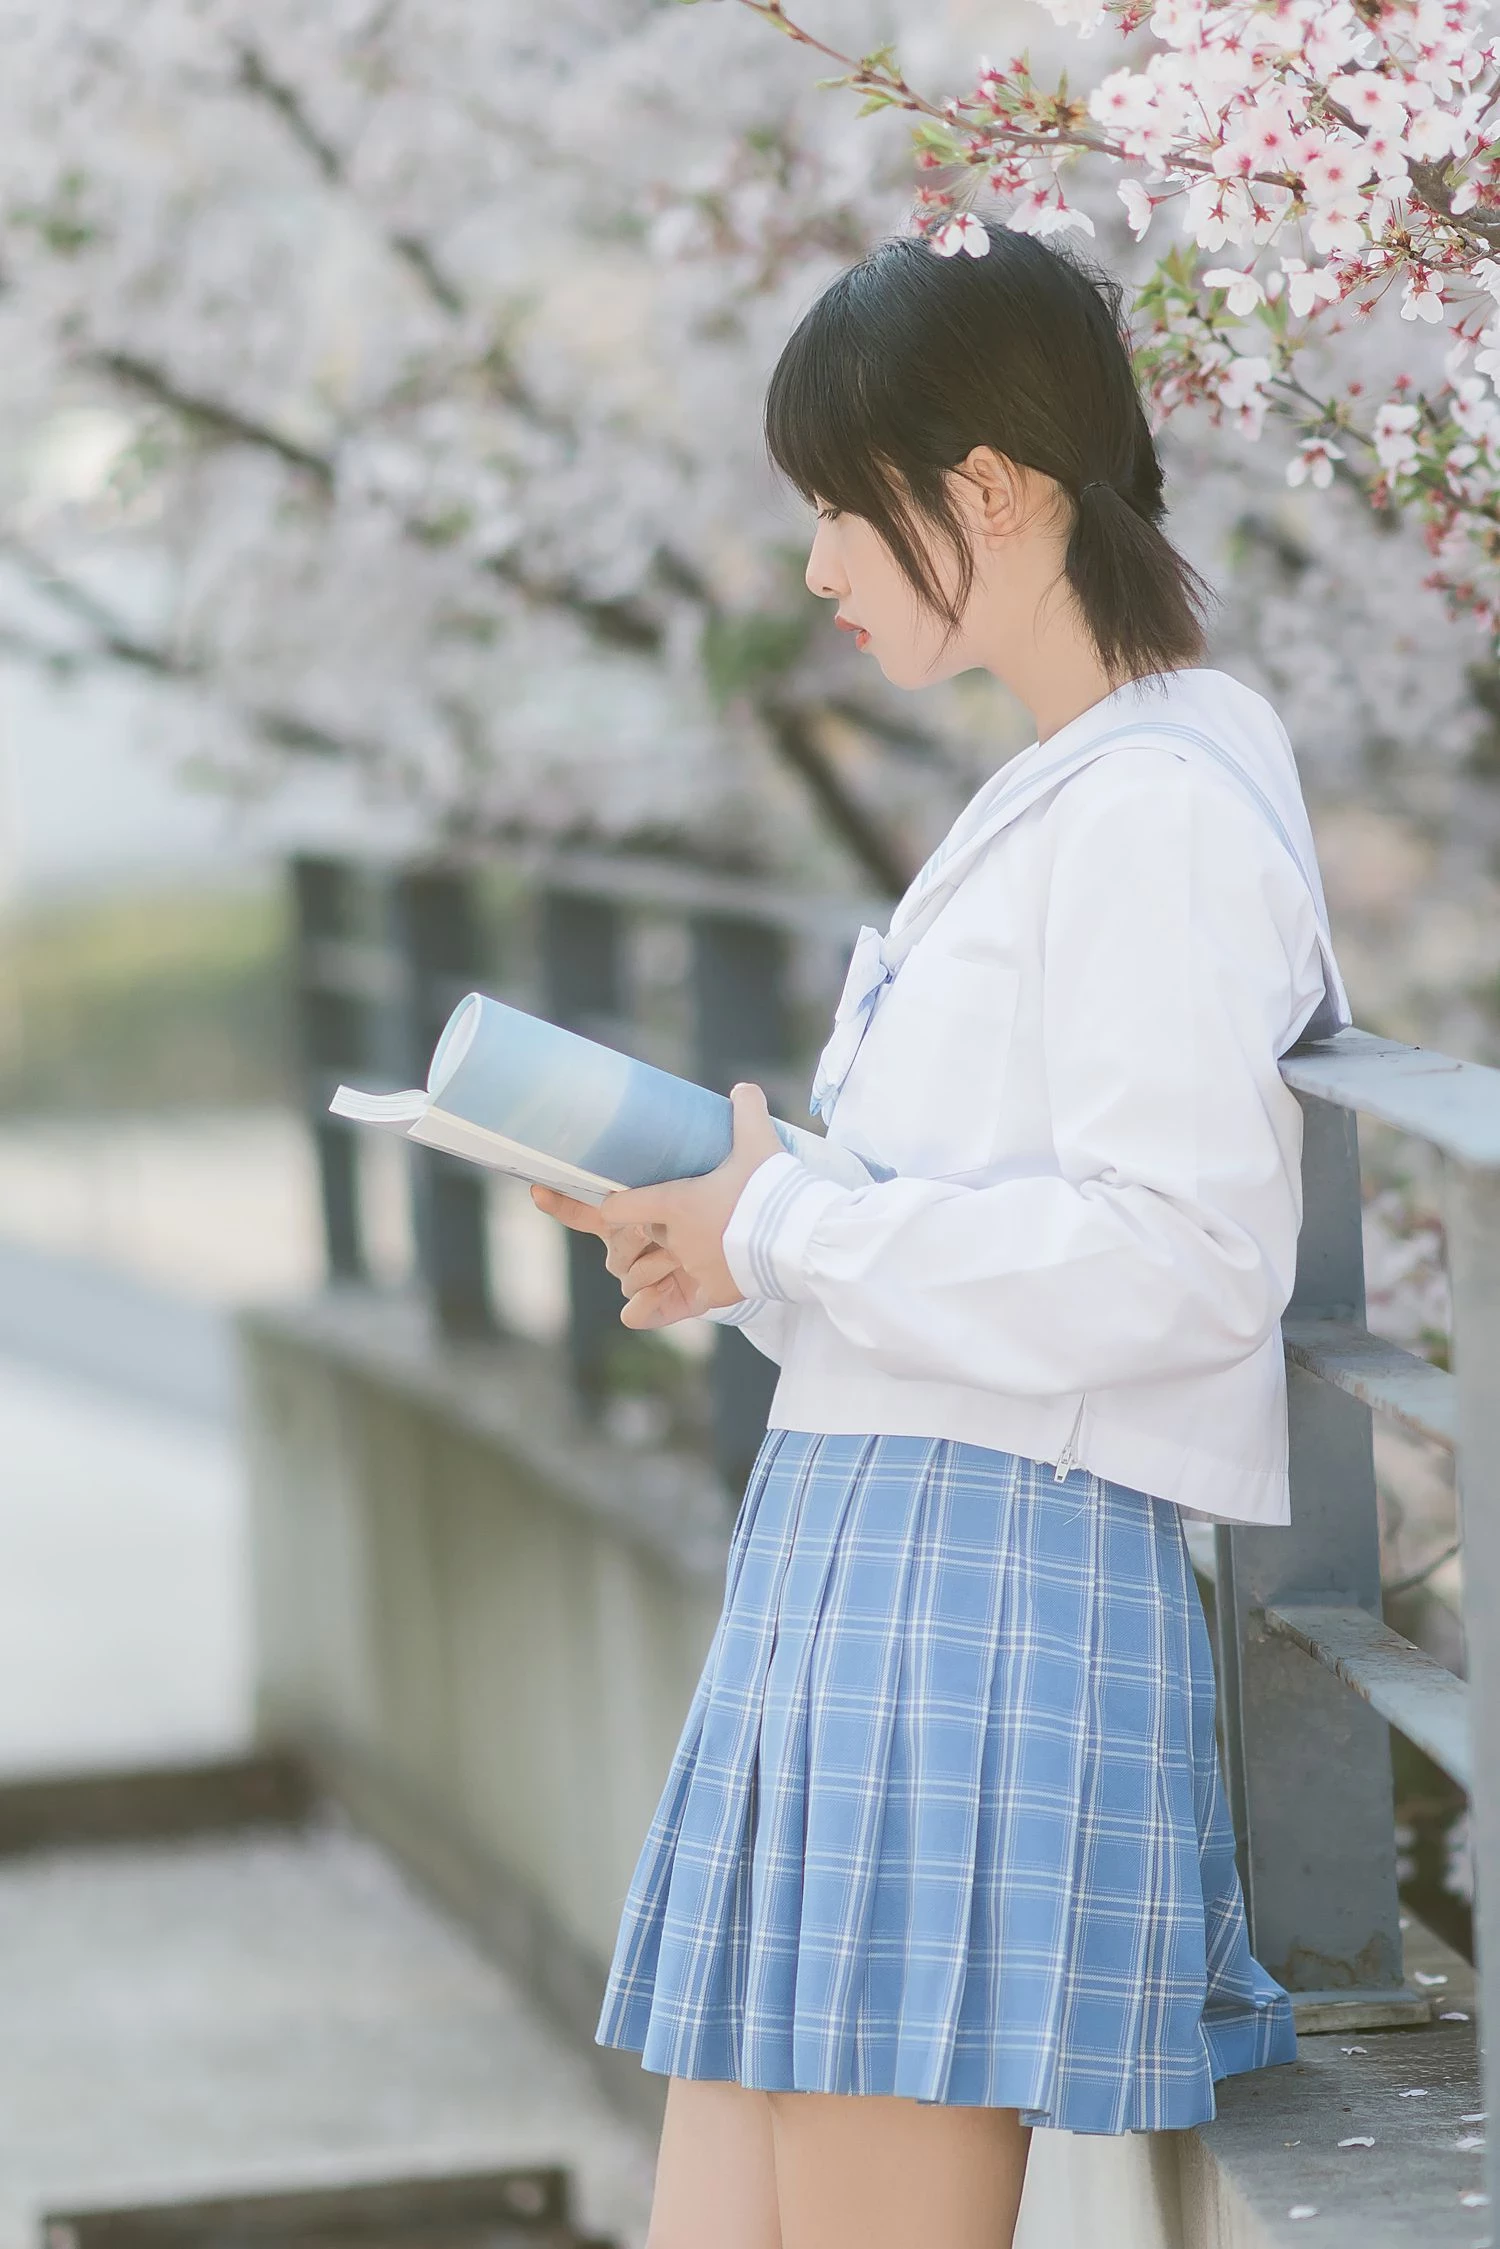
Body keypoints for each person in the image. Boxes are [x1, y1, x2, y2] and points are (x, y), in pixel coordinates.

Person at [531, 222, 1349, 2249]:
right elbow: (969, 1220)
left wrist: (792, 1217)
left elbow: (1178, 1259)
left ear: (985, 487)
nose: (815, 567)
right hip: (870, 1548)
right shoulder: (1082, 789)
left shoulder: (1157, 807)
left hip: (984, 1564)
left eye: (838, 506)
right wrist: (742, 1242)